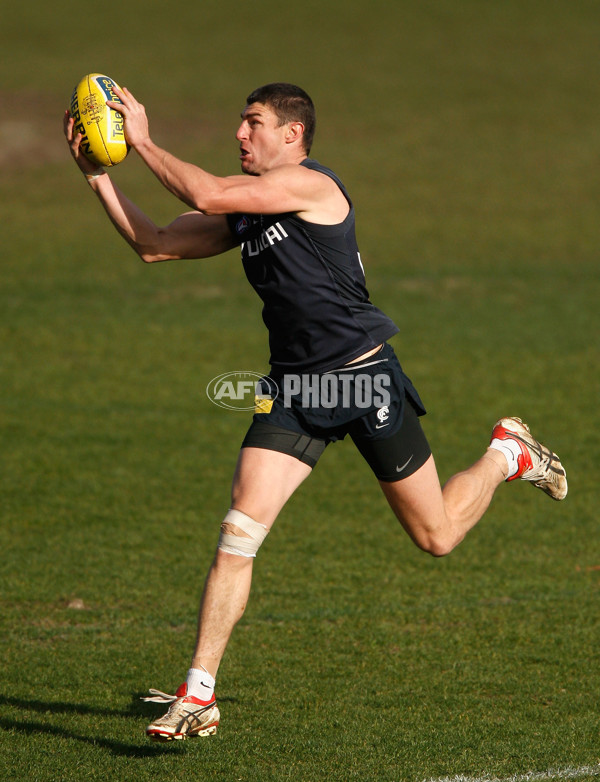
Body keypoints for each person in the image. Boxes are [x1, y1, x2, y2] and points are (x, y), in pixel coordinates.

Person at [64, 82, 567, 742]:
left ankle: (510, 452)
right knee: (239, 530)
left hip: (364, 382)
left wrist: (145, 140)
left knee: (436, 537)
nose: (241, 134)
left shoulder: (310, 186)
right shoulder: (247, 212)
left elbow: (205, 192)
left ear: (291, 136)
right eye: (241, 124)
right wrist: (99, 176)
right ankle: (199, 692)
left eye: (254, 123)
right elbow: (156, 243)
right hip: (297, 391)